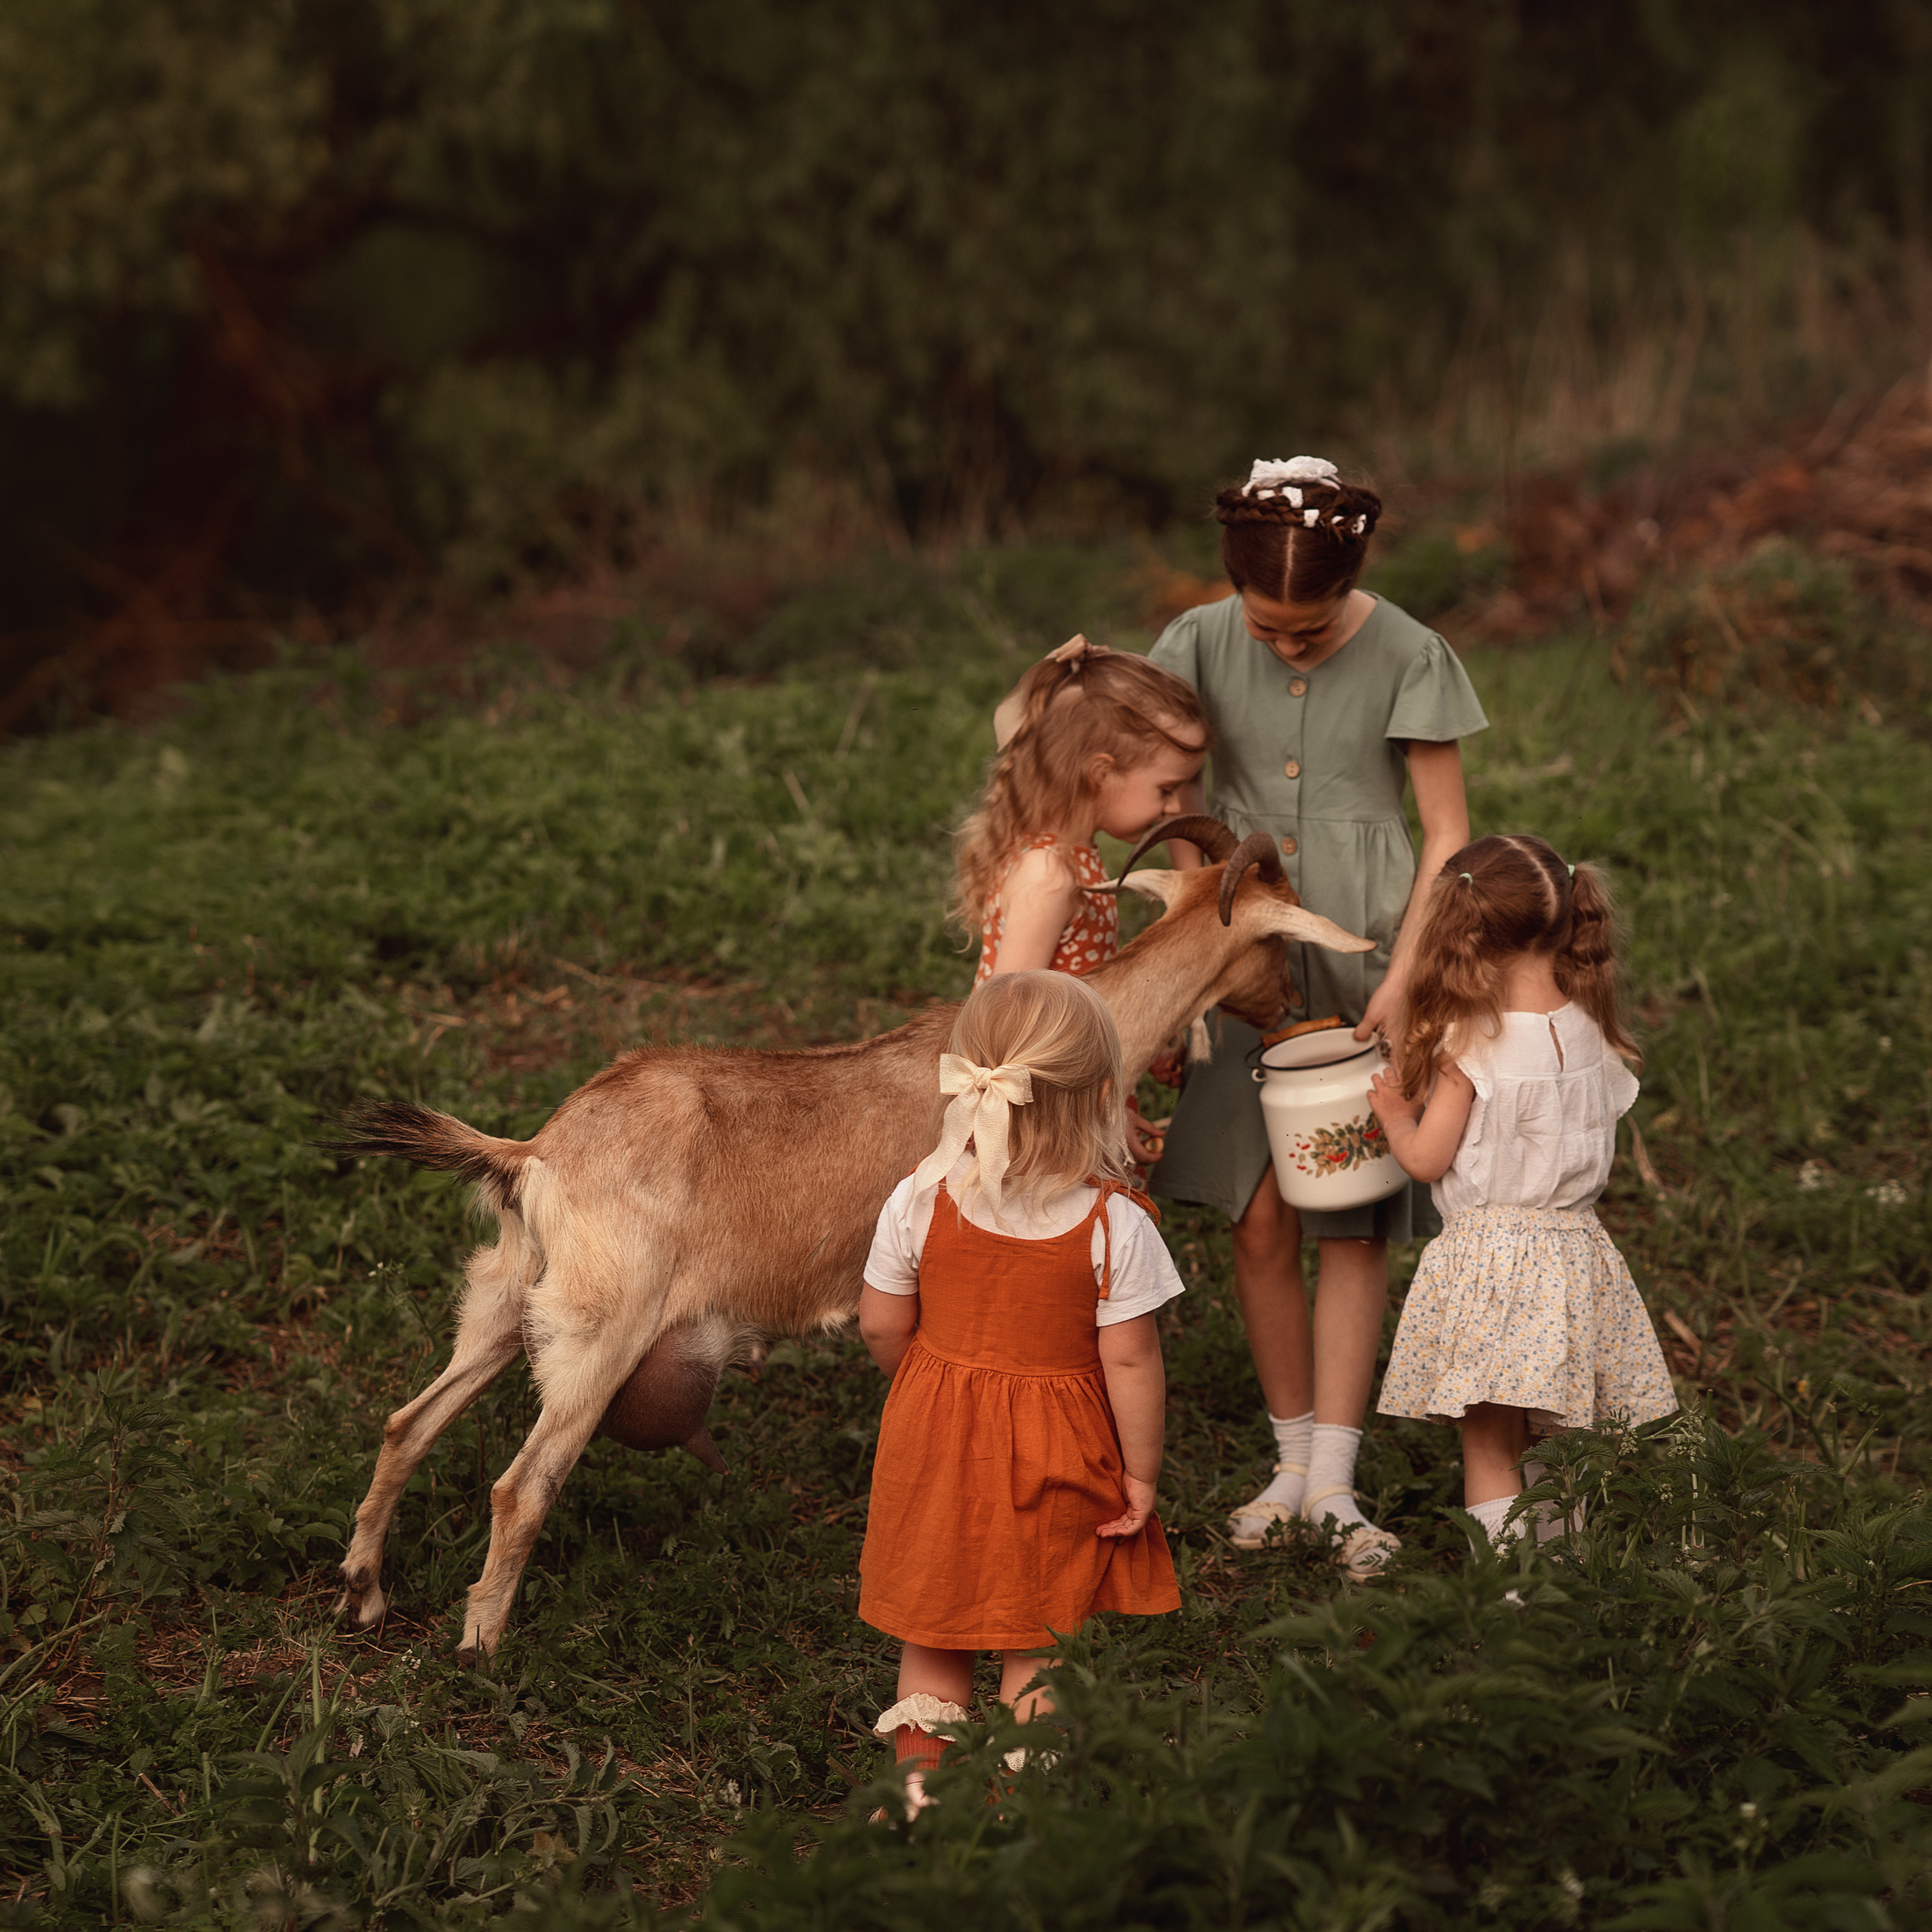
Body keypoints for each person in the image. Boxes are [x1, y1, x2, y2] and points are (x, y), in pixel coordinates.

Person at [1146, 455, 1488, 1576]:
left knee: (1352, 1207)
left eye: (1312, 628)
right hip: (1240, 949)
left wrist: (1408, 972)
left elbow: (1445, 831)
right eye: (1270, 628)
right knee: (1256, 1212)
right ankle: (1288, 1462)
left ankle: (1337, 1476)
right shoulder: (1195, 644)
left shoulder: (1408, 652)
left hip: (1370, 952)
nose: (1288, 646)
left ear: (1353, 582)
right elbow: (1171, 799)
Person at [857, 971, 1183, 1810]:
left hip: (933, 1441)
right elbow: (1133, 1363)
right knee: (1041, 1632)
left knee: (933, 1630)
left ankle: (921, 1804)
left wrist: (931, 1387)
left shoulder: (920, 1198)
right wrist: (1139, 1474)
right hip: (1059, 1457)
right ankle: (1024, 1814)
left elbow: (880, 1324)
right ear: (1103, 1097)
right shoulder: (1117, 1225)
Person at [1368, 835, 1677, 1546]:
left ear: (1466, 930)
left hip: (1494, 1267)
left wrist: (1393, 1115)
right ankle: (1560, 1580)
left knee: (1489, 1446)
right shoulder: (1592, 1029)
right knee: (1555, 1440)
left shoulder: (1469, 1043)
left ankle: (1503, 1604)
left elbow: (1424, 1158)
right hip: (1574, 1256)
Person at [962, 635, 1208, 1162]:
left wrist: (1144, 1045)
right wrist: (1098, 1109)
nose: (1173, 809)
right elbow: (1005, 1024)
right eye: (1166, 789)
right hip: (1045, 1124)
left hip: (1076, 1096)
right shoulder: (1049, 873)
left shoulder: (1078, 856)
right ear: (1100, 773)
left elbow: (1080, 989)